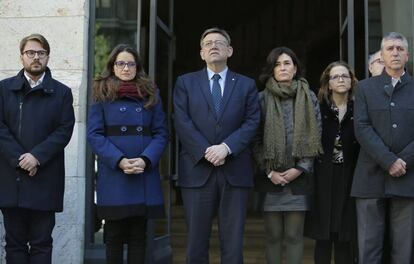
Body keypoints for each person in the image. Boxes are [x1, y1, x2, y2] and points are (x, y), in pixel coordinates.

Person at [173, 27, 260, 264]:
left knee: (233, 243)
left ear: (229, 50)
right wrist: (206, 150)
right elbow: (181, 121)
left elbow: (252, 121)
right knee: (196, 243)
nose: (213, 46)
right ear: (201, 53)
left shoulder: (246, 85)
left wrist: (227, 147)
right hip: (197, 170)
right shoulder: (185, 83)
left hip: (235, 171)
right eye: (208, 43)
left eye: (219, 42)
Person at [87, 44, 168, 264]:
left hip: (143, 172)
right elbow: (94, 134)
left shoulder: (151, 92)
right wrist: (119, 161)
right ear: (113, 66)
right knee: (113, 236)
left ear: (137, 67)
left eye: (130, 64)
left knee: (137, 236)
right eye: (120, 63)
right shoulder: (101, 92)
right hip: (115, 174)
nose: (125, 68)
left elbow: (161, 133)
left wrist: (145, 159)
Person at [0, 33, 75, 264]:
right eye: (30, 53)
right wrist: (21, 159)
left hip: (45, 179)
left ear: (48, 57)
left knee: (42, 244)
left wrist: (36, 157)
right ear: (21, 56)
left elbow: (64, 130)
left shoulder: (62, 92)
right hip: (12, 180)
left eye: (41, 53)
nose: (36, 58)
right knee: (14, 244)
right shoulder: (3, 89)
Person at [252, 46, 322, 264]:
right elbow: (254, 140)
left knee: (293, 236)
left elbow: (316, 135)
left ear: (295, 68)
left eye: (287, 63)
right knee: (273, 236)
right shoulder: (261, 99)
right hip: (270, 178)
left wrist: (299, 168)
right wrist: (269, 170)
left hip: (298, 178)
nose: (282, 68)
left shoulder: (309, 97)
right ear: (271, 70)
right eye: (277, 64)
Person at [351, 32, 414, 264]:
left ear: (407, 54)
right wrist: (389, 160)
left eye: (399, 48)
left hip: (408, 175)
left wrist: (403, 160)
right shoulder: (365, 88)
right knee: (369, 248)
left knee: (404, 250)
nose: (395, 52)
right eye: (390, 49)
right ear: (382, 55)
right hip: (370, 176)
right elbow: (362, 128)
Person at [305, 61, 359, 264]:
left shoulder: (359, 109)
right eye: (335, 77)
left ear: (351, 82)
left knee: (345, 236)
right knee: (324, 236)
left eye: (345, 76)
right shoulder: (318, 109)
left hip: (350, 177)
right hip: (323, 178)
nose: (341, 80)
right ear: (328, 84)